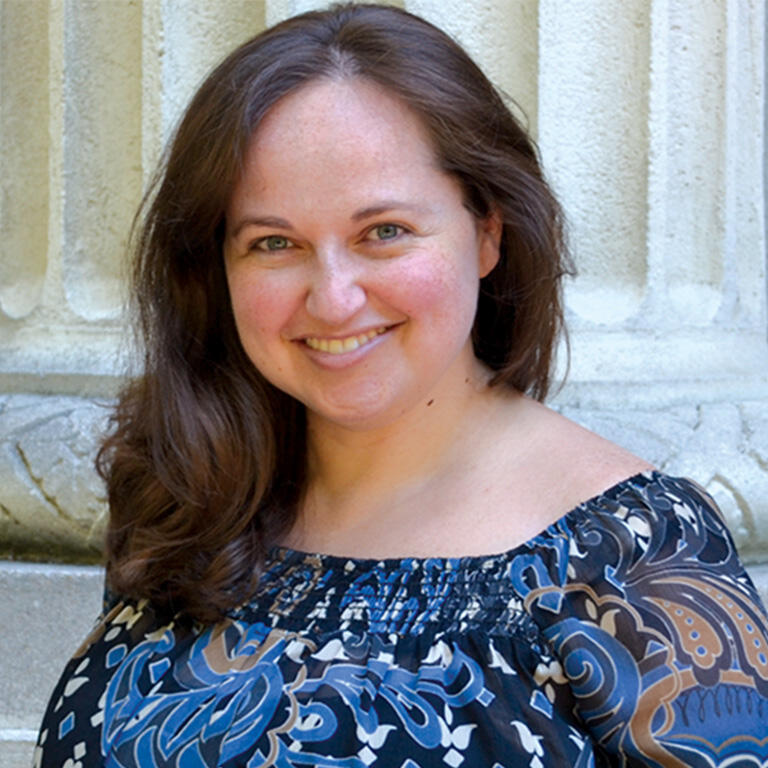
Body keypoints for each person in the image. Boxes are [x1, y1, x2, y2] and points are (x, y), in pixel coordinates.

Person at [36, 4, 768, 767]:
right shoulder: (189, 497)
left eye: (383, 232)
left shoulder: (635, 555)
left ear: (488, 230)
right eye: (274, 243)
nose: (334, 298)